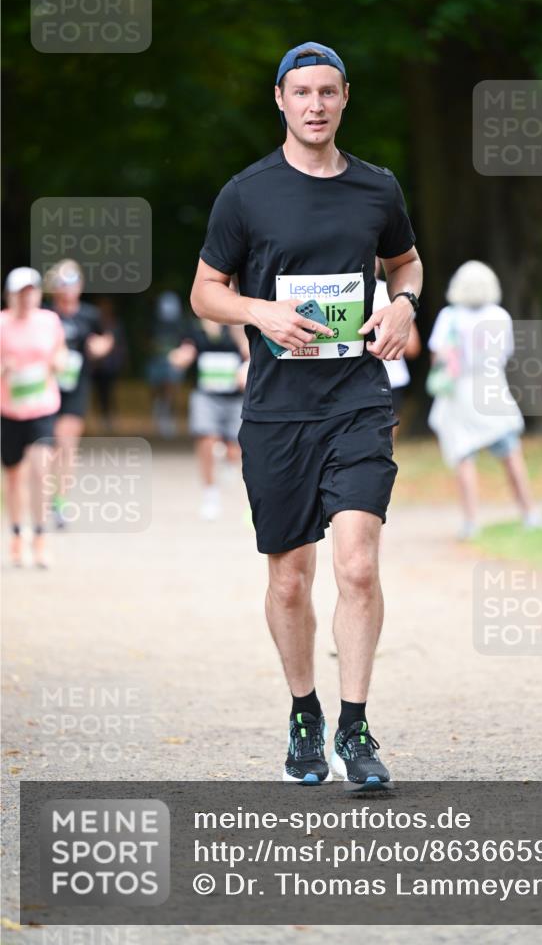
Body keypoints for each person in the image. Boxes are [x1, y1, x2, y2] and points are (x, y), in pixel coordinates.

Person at [191, 42, 422, 787]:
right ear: (281, 100)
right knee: (290, 579)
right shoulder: (247, 193)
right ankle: (304, 713)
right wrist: (260, 311)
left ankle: (355, 729)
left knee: (356, 565)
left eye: (327, 91)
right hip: (277, 413)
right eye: (302, 92)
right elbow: (204, 291)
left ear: (344, 97)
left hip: (356, 399)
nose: (315, 105)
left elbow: (405, 263)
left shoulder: (376, 188)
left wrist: (403, 306)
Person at [427, 260, 542, 540]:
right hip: (491, 388)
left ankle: (472, 521)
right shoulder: (500, 316)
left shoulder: (450, 316)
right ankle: (529, 512)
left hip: (459, 392)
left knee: (463, 456)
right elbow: (505, 354)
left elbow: (438, 356)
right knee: (511, 453)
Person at [1, 267, 66, 567]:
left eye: (32, 292)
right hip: (10, 409)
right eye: (21, 293)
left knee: (40, 470)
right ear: (10, 296)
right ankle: (17, 535)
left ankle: (40, 537)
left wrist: (57, 363)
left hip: (42, 406)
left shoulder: (49, 321)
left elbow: (61, 353)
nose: (27, 298)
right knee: (14, 478)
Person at [45, 259, 114, 528]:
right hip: (47, 386)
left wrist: (101, 347)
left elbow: (106, 338)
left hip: (76, 387)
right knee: (45, 446)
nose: (68, 287)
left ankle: (60, 503)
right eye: (63, 282)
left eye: (73, 281)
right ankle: (44, 496)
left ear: (81, 286)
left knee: (66, 443)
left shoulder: (89, 315)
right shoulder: (46, 315)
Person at [168, 317, 249, 520]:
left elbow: (250, 354)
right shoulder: (194, 329)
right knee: (206, 439)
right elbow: (181, 353)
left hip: (235, 397)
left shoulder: (238, 325)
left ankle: (228, 460)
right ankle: (210, 494)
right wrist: (179, 358)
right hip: (205, 395)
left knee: (235, 449)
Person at [372, 257, 421, 432]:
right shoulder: (394, 295)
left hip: (353, 379)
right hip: (392, 380)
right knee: (388, 446)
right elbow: (412, 347)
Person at [145, 291, 190, 439]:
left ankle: (168, 413)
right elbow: (148, 341)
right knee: (155, 387)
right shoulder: (154, 322)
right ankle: (159, 408)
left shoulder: (181, 323)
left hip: (173, 361)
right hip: (157, 359)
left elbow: (184, 342)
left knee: (171, 386)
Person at [90, 296, 128, 433]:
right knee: (99, 394)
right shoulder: (94, 323)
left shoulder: (115, 324)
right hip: (97, 367)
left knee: (109, 393)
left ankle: (109, 419)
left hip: (111, 366)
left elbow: (121, 345)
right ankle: (102, 419)